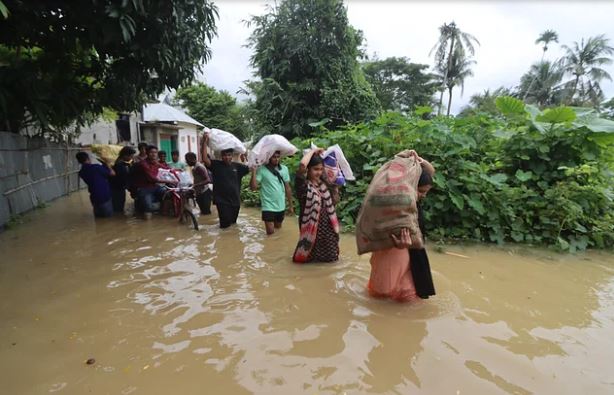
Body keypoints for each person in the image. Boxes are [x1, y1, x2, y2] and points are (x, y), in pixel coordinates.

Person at [367, 152, 436, 302]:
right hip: (394, 252)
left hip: (411, 252)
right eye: (421, 191)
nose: (423, 195)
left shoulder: (410, 199)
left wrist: (418, 160)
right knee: (387, 293)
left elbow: (430, 172)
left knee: (405, 291)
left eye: (426, 192)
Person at [292, 148, 340, 263]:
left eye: (321, 169)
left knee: (332, 261)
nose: (319, 172)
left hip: (328, 231)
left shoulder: (324, 185)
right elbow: (302, 165)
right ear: (308, 170)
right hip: (311, 232)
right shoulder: (303, 187)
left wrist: (336, 189)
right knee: (306, 260)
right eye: (315, 169)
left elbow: (335, 202)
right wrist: (313, 151)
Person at [202, 134, 249, 228]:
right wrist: (204, 142)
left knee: (233, 224)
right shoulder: (216, 165)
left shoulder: (237, 167)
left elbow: (251, 167)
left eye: (229, 155)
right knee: (225, 226)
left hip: (235, 201)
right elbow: (205, 159)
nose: (226, 157)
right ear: (221, 156)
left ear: (232, 156)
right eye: (224, 155)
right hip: (222, 200)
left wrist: (245, 155)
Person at [249, 151, 294, 235]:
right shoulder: (262, 169)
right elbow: (253, 188)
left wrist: (291, 206)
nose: (276, 159)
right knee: (270, 233)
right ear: (269, 158)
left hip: (281, 206)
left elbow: (288, 188)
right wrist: (254, 171)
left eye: (278, 157)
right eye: (274, 157)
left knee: (278, 231)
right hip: (268, 206)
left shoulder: (284, 169)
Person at [130, 145, 168, 216]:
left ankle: (164, 212)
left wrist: (178, 171)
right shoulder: (143, 164)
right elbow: (151, 177)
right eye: (151, 152)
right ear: (146, 153)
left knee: (168, 194)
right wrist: (166, 180)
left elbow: (166, 169)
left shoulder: (156, 163)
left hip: (155, 187)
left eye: (155, 152)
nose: (154, 154)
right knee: (148, 209)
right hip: (144, 188)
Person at [76, 151, 115, 218]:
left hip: (94, 198)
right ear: (88, 158)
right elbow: (113, 173)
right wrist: (107, 164)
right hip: (104, 196)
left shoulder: (81, 172)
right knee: (108, 220)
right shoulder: (96, 167)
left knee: (98, 220)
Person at [109, 146, 136, 213]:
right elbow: (124, 176)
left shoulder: (121, 162)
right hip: (117, 188)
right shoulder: (119, 164)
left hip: (118, 187)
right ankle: (118, 220)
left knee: (119, 205)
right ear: (125, 155)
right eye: (131, 156)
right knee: (118, 207)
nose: (131, 158)